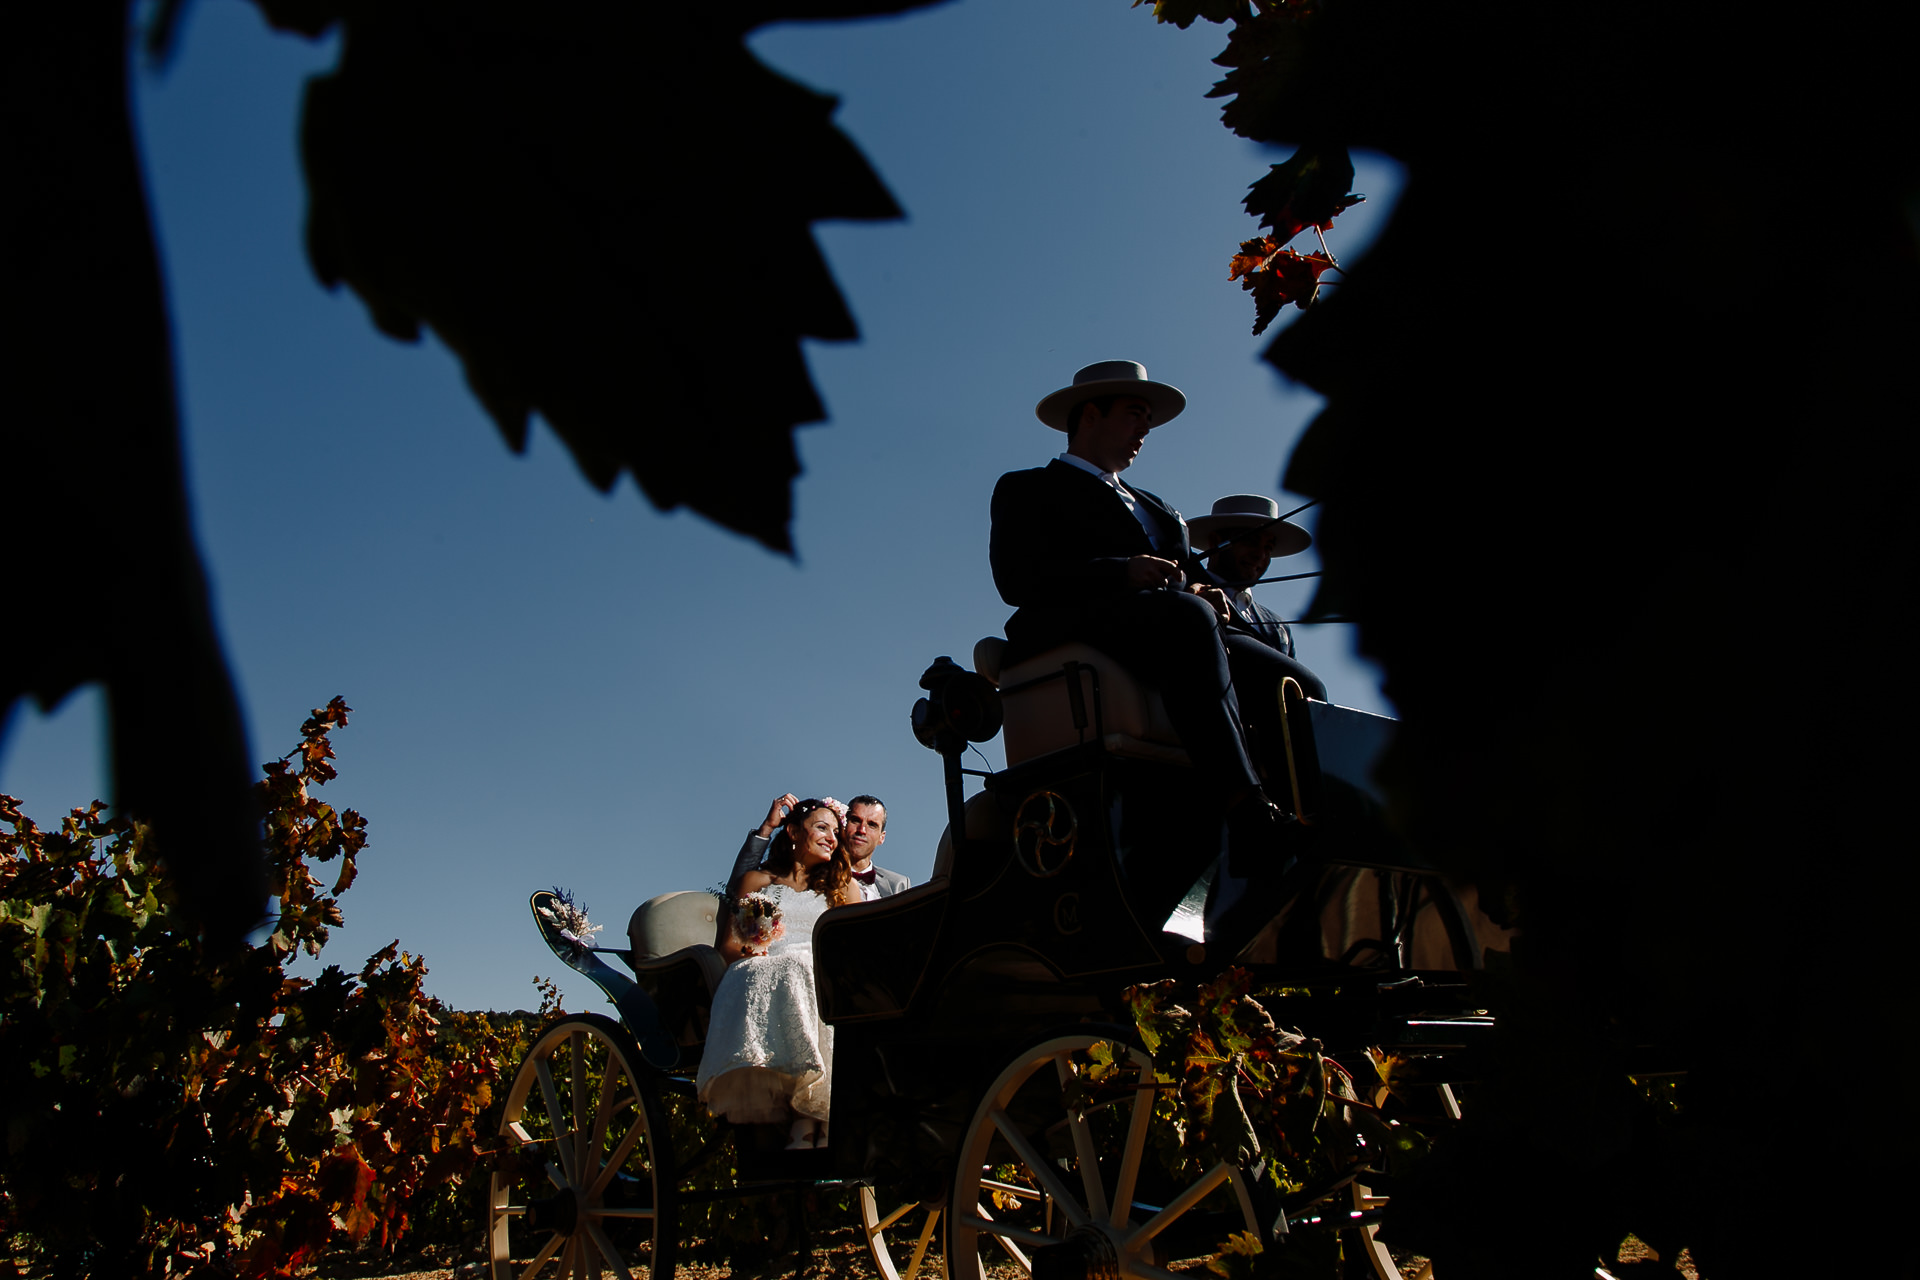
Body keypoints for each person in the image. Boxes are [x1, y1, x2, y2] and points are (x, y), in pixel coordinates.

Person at [988, 361, 1284, 836]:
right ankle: (1243, 805)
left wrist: (1202, 589)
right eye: (1134, 413)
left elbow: (1187, 580)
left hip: (1173, 624)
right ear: (1089, 416)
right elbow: (1016, 579)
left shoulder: (1160, 509)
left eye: (1148, 418)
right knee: (1189, 617)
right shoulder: (1028, 488)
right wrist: (1121, 572)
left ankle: (1308, 811)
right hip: (1078, 622)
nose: (1146, 428)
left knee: (1291, 676)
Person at [697, 798, 855, 1147]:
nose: (832, 838)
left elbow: (857, 943)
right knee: (792, 967)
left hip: (819, 970)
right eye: (822, 827)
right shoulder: (759, 880)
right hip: (761, 964)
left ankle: (815, 1118)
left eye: (836, 831)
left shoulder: (843, 888)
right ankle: (804, 1115)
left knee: (808, 969)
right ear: (795, 832)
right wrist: (757, 948)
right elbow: (728, 946)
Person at [725, 793, 907, 902]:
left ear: (882, 837)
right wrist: (766, 829)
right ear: (842, 826)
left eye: (872, 825)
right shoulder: (811, 869)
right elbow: (737, 892)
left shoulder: (898, 884)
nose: (862, 830)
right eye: (855, 820)